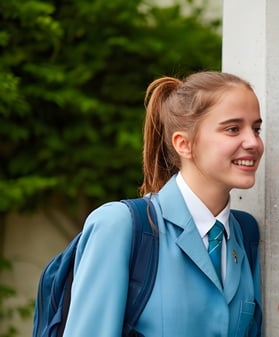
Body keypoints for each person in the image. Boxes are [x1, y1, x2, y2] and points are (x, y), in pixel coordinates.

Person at [62, 71, 264, 336]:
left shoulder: (245, 232)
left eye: (256, 128)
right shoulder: (119, 225)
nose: (253, 142)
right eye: (232, 129)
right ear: (184, 144)